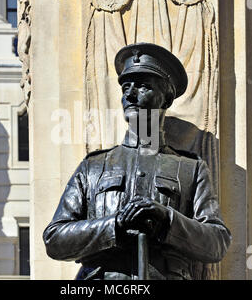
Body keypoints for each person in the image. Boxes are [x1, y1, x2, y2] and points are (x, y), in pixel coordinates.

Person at [43, 43, 231, 280]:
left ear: (167, 98)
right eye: (125, 88)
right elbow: (55, 239)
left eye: (143, 86)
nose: (130, 95)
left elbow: (217, 242)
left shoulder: (190, 169)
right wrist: (114, 225)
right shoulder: (93, 167)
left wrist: (167, 220)